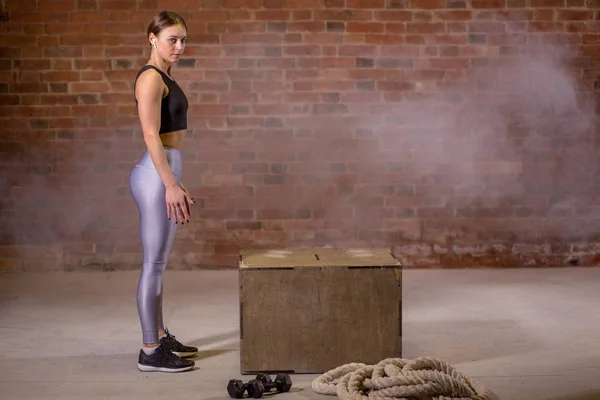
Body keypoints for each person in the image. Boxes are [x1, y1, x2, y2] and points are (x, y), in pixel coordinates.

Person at [129, 10, 197, 373]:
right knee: (153, 264)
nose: (180, 46)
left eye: (183, 39)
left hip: (165, 171)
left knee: (159, 263)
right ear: (152, 39)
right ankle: (150, 350)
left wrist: (176, 180)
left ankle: (160, 333)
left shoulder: (165, 75)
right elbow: (151, 135)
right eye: (172, 39)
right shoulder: (151, 79)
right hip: (154, 175)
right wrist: (170, 183)